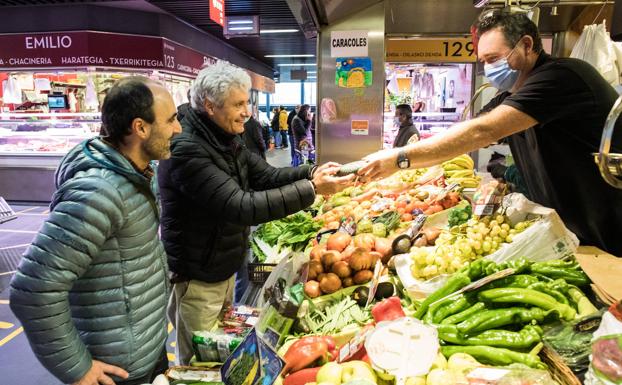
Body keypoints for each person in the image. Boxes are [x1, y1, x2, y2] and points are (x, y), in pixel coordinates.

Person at [359, 12, 622, 256]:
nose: (488, 69)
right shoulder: (510, 96)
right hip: (571, 231)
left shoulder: (561, 77)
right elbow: (465, 132)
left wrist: (399, 159)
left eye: (494, 59)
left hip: (606, 228)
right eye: (483, 62)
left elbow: (481, 132)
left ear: (527, 46)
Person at [157, 61, 354, 366]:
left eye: (247, 101)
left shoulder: (223, 137)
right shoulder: (187, 149)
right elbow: (240, 206)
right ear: (210, 106)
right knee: (199, 361)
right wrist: (312, 190)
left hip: (221, 264)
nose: (247, 111)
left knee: (219, 352)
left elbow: (264, 175)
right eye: (238, 104)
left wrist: (311, 172)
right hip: (197, 274)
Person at [9, 77, 182, 385]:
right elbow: (33, 291)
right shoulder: (99, 191)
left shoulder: (135, 175)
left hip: (144, 349)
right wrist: (77, 368)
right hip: (117, 371)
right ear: (140, 128)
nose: (178, 129)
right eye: (170, 120)